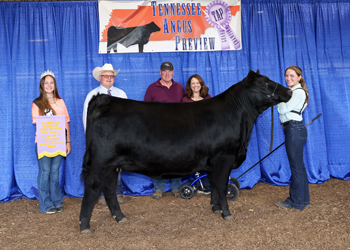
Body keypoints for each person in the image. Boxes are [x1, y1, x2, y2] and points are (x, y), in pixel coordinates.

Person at [83, 63, 127, 205]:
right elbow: (86, 118)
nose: (109, 78)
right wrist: (90, 139)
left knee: (117, 165)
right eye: (106, 76)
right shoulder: (92, 95)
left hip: (118, 138)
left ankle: (117, 192)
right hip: (100, 139)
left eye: (111, 76)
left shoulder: (121, 94)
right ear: (100, 78)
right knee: (100, 166)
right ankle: (101, 194)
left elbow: (128, 118)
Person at [32, 70, 71, 214]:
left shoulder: (61, 102)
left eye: (51, 82)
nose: (49, 85)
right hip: (43, 142)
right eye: (46, 82)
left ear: (55, 85)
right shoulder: (37, 103)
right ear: (42, 86)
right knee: (45, 172)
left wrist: (68, 142)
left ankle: (56, 201)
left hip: (59, 142)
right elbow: (39, 123)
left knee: (55, 172)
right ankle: (45, 204)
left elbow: (66, 123)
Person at [144, 62, 185, 199]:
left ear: (173, 72)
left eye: (169, 71)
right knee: (157, 158)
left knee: (177, 158)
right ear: (160, 72)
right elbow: (146, 110)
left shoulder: (179, 88)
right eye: (164, 71)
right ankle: (158, 188)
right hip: (158, 130)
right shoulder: (152, 88)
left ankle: (176, 187)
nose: (167, 74)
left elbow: (185, 109)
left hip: (177, 129)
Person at [275, 66, 310, 210]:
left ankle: (295, 201)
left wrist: (278, 100)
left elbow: (283, 109)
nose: (288, 78)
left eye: (292, 75)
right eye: (286, 76)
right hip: (294, 129)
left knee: (296, 168)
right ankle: (303, 200)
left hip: (294, 129)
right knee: (299, 167)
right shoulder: (294, 92)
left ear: (299, 77)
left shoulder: (298, 92)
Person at [182, 74, 211, 195]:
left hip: (206, 134)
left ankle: (207, 184)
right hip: (191, 135)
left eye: (197, 83)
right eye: (193, 83)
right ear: (190, 86)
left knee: (207, 158)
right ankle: (198, 183)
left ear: (201, 84)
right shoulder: (185, 100)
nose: (195, 85)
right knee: (194, 159)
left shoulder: (208, 98)